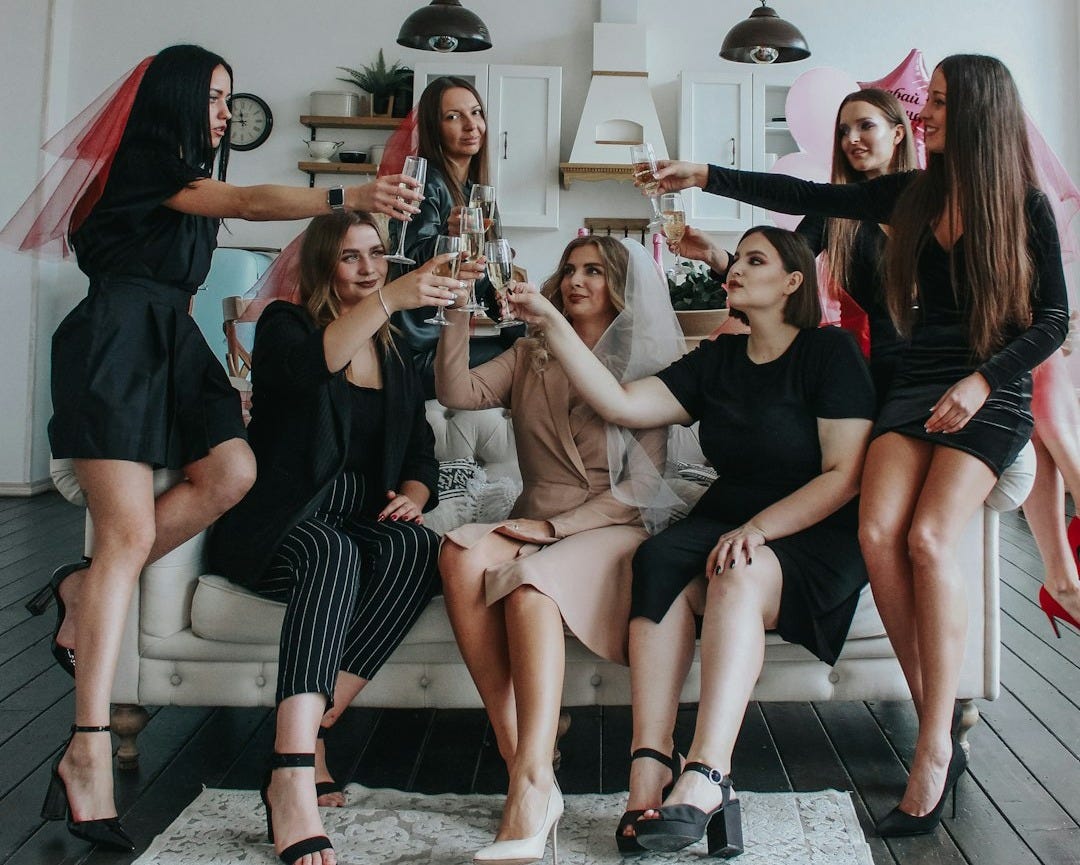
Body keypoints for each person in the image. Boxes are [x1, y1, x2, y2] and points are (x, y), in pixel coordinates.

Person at [3, 44, 423, 853]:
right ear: (174, 99)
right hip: (117, 341)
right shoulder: (143, 160)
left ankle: (83, 587)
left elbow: (229, 201)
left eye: (230, 98)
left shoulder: (183, 185)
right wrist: (349, 191)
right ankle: (87, 746)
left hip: (174, 342)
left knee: (234, 467)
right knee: (126, 535)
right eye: (215, 97)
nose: (225, 112)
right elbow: (245, 198)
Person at [650, 54, 1069, 836]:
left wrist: (982, 382)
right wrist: (701, 172)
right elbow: (804, 196)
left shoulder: (1026, 207)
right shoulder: (908, 196)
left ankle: (931, 754)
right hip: (912, 385)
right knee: (878, 533)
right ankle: (936, 721)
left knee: (929, 536)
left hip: (989, 387)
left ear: (977, 111)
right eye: (928, 101)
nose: (926, 114)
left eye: (940, 103)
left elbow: (1054, 322)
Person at [511, 226, 875, 856]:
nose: (735, 267)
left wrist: (758, 529)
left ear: (793, 283)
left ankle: (707, 773)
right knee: (657, 559)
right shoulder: (717, 360)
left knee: (735, 571)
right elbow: (621, 404)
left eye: (755, 260)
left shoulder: (829, 353)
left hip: (811, 526)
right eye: (737, 258)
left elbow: (844, 476)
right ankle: (647, 769)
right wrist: (547, 319)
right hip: (728, 512)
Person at [208, 211, 460, 865]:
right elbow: (310, 369)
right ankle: (289, 774)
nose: (370, 266)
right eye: (351, 257)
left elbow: (421, 453)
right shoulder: (287, 326)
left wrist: (416, 493)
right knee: (332, 550)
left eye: (378, 253)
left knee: (417, 547)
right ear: (323, 264)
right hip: (283, 523)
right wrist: (390, 300)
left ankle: (316, 722)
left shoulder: (399, 351)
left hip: (362, 519)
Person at [434, 235, 684, 863]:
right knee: (460, 555)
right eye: (569, 269)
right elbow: (458, 394)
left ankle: (529, 787)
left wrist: (553, 532)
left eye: (594, 271)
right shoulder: (529, 354)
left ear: (619, 287)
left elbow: (640, 493)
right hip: (533, 516)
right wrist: (460, 309)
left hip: (610, 526)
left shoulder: (646, 370)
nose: (576, 281)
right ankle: (521, 750)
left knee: (529, 584)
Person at [670, 88, 916, 405]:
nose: (851, 139)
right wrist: (715, 257)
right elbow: (780, 265)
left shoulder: (928, 197)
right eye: (843, 131)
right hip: (876, 374)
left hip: (946, 368)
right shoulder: (832, 213)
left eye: (865, 126)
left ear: (897, 133)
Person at [387, 75, 521, 395]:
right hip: (415, 351)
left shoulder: (478, 194)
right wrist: (450, 239)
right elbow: (408, 260)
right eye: (453, 117)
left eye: (476, 113)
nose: (471, 125)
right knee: (530, 355)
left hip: (445, 339)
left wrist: (500, 301)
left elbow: (480, 277)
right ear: (434, 128)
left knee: (530, 338)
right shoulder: (424, 184)